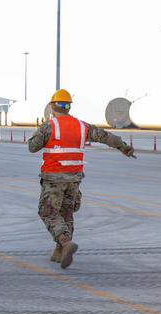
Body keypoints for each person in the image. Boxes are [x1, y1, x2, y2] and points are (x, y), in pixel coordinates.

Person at [28, 89, 136, 268]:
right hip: (74, 179)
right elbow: (106, 137)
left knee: (47, 212)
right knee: (66, 213)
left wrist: (40, 131)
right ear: (69, 107)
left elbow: (32, 147)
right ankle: (60, 252)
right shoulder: (82, 126)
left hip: (54, 177)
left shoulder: (49, 126)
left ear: (52, 106)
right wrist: (124, 148)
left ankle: (64, 242)